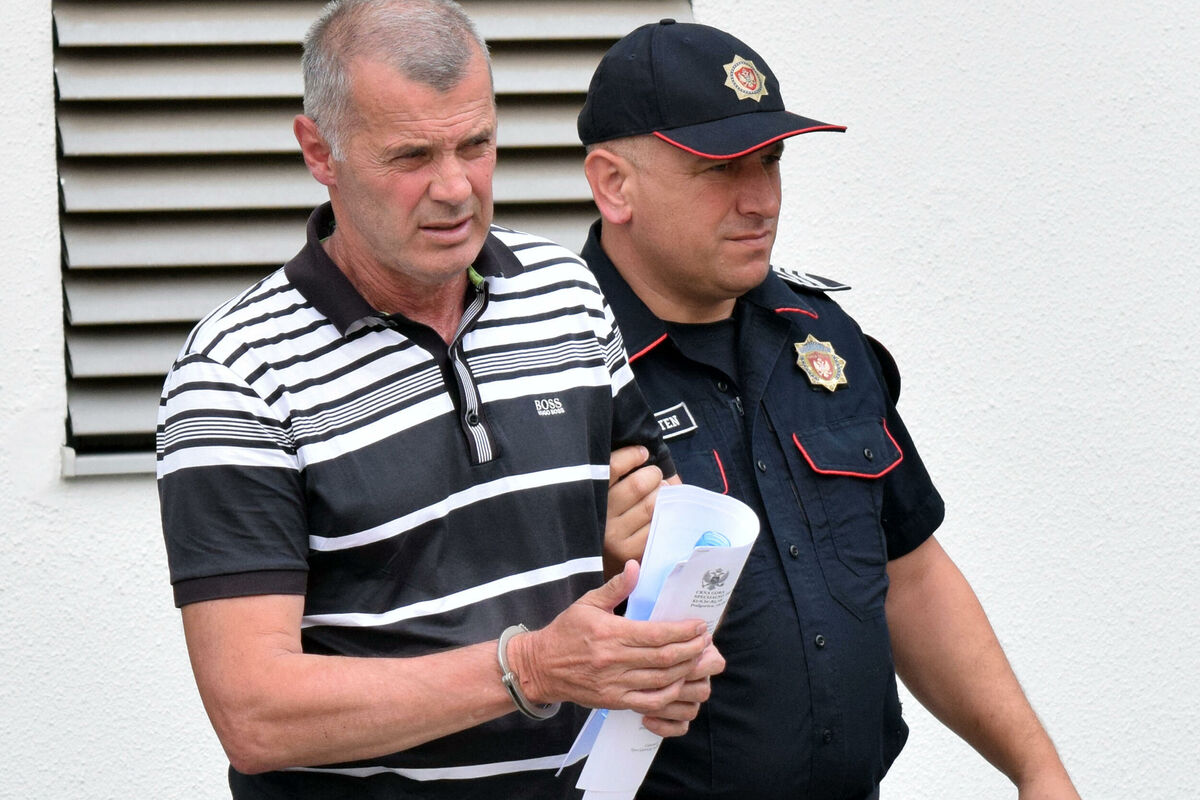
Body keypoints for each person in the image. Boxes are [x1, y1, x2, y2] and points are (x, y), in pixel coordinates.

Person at [155, 3, 723, 798]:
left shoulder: (566, 296)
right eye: (412, 155)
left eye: (476, 145)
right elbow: (255, 715)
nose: (455, 188)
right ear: (319, 151)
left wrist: (661, 648)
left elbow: (651, 543)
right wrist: (527, 667)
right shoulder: (236, 372)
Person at [584, 20, 1081, 800]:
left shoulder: (822, 339)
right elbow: (481, 648)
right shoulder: (554, 372)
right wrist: (591, 565)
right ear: (616, 185)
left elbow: (910, 575)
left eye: (771, 161)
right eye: (720, 168)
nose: (760, 200)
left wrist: (1036, 769)